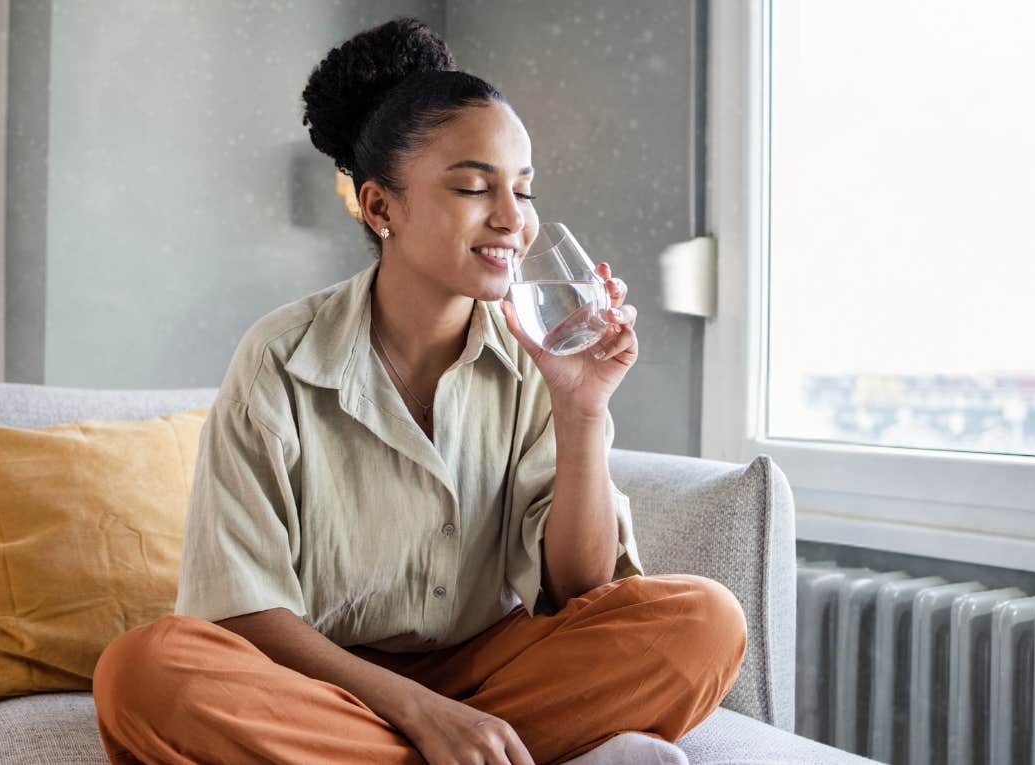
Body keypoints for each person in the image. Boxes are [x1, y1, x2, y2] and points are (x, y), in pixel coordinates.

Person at [92, 16, 746, 765]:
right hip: (318, 684)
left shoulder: (536, 354)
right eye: (473, 186)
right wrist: (419, 711)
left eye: (524, 190)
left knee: (704, 620)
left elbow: (579, 590)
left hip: (493, 671)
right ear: (380, 207)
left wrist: (581, 408)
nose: (512, 219)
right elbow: (245, 615)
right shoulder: (279, 359)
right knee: (144, 671)